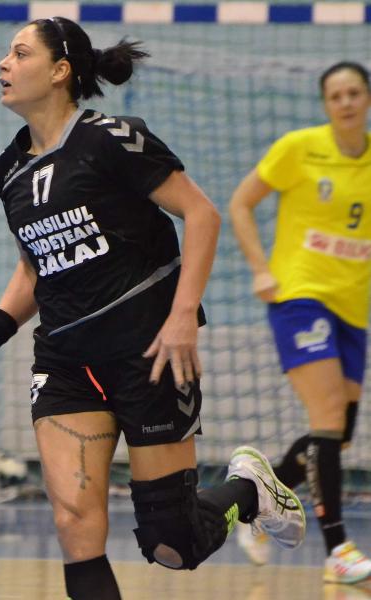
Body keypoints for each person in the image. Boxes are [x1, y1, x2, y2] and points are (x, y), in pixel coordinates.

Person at [0, 17, 305, 600]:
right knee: (74, 524)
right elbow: (36, 265)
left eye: (19, 53)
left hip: (149, 352)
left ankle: (249, 488)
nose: (4, 65)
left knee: (172, 545)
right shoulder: (8, 168)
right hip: (66, 364)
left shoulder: (111, 139)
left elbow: (203, 214)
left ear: (60, 70)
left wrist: (183, 315)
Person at [229, 61, 371, 584]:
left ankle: (256, 501)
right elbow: (241, 204)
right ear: (325, 104)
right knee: (328, 415)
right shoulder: (299, 149)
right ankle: (339, 551)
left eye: (354, 93)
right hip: (301, 297)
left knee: (337, 434)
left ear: (367, 98)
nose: (346, 102)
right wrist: (260, 269)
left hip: (353, 309)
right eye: (336, 95)